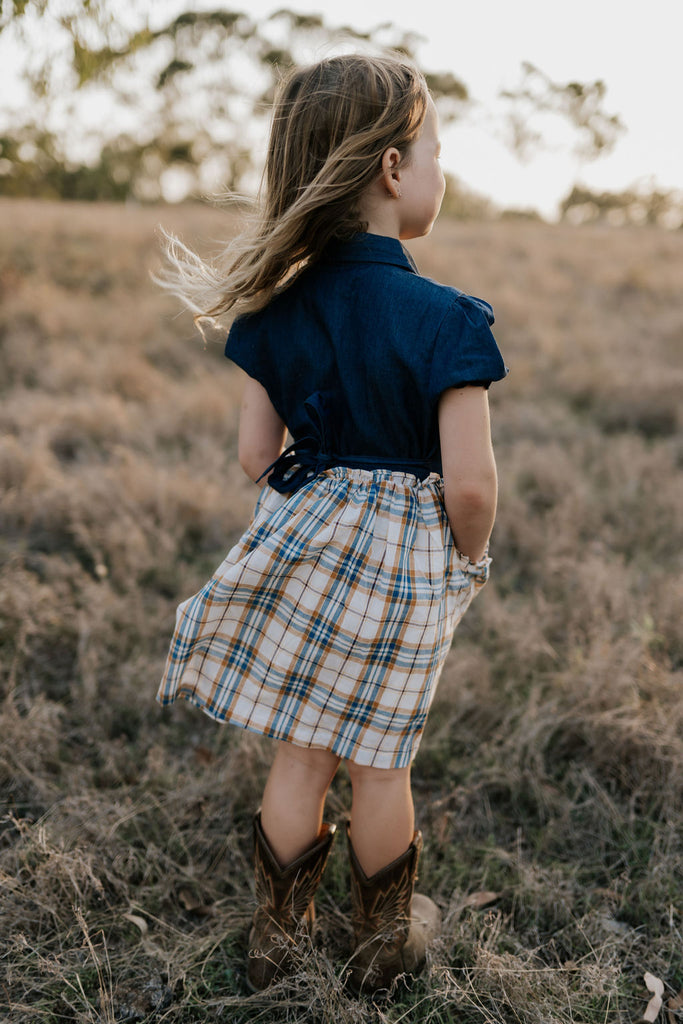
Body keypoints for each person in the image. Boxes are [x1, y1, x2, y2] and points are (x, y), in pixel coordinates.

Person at [155, 52, 507, 995]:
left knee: (301, 750)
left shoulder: (277, 309)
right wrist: (464, 560)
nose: (438, 171)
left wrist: (323, 506)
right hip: (406, 567)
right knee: (380, 764)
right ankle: (383, 945)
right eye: (434, 153)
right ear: (392, 169)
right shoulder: (448, 320)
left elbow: (254, 455)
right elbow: (472, 486)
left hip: (306, 545)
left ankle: (278, 936)